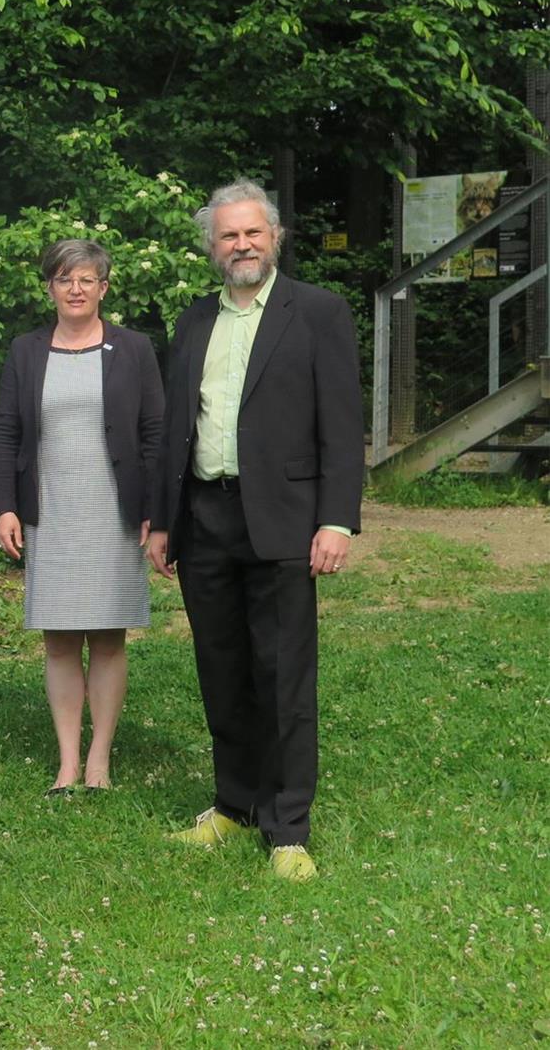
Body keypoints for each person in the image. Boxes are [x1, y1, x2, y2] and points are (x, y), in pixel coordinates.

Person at [148, 179, 363, 882]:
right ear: (212, 246)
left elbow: (341, 421)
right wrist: (163, 519)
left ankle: (288, 826)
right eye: (228, 235)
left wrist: (336, 518)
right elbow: (176, 427)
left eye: (252, 233)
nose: (241, 244)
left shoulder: (318, 313)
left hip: (286, 521)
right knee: (222, 669)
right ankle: (233, 803)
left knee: (284, 674)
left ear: (275, 237)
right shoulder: (193, 320)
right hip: (205, 517)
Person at [0, 239, 163, 794]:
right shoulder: (26, 350)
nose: (76, 289)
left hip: (113, 514)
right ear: (50, 288)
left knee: (109, 638)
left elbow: (155, 432)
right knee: (60, 640)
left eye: (87, 280)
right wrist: (5, 506)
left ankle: (99, 762)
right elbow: (5, 431)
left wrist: (154, 510)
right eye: (65, 280)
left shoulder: (134, 349)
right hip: (51, 513)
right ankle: (68, 762)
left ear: (104, 288)